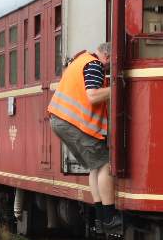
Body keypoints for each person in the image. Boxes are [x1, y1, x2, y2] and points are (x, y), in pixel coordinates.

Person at [47, 41, 117, 230]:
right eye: (111, 63)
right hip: (71, 122)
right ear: (107, 56)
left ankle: (100, 216)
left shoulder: (81, 60)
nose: (110, 68)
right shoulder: (95, 65)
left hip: (60, 120)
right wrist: (116, 88)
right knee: (105, 164)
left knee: (95, 166)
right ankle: (109, 218)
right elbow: (92, 96)